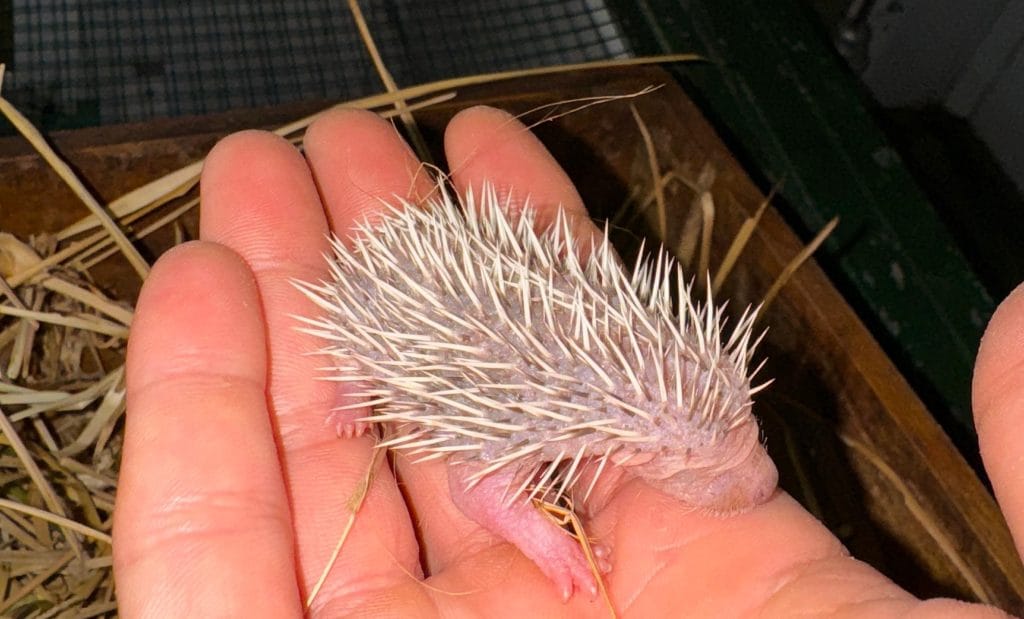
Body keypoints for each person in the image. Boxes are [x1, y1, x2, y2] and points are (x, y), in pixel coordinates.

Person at [111, 105, 1020, 618]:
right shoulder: (537, 415)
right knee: (366, 361)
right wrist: (546, 541)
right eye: (716, 464)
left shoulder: (620, 392)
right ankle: (357, 371)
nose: (758, 475)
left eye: (740, 440)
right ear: (645, 446)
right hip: (399, 305)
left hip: (470, 293)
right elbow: (476, 486)